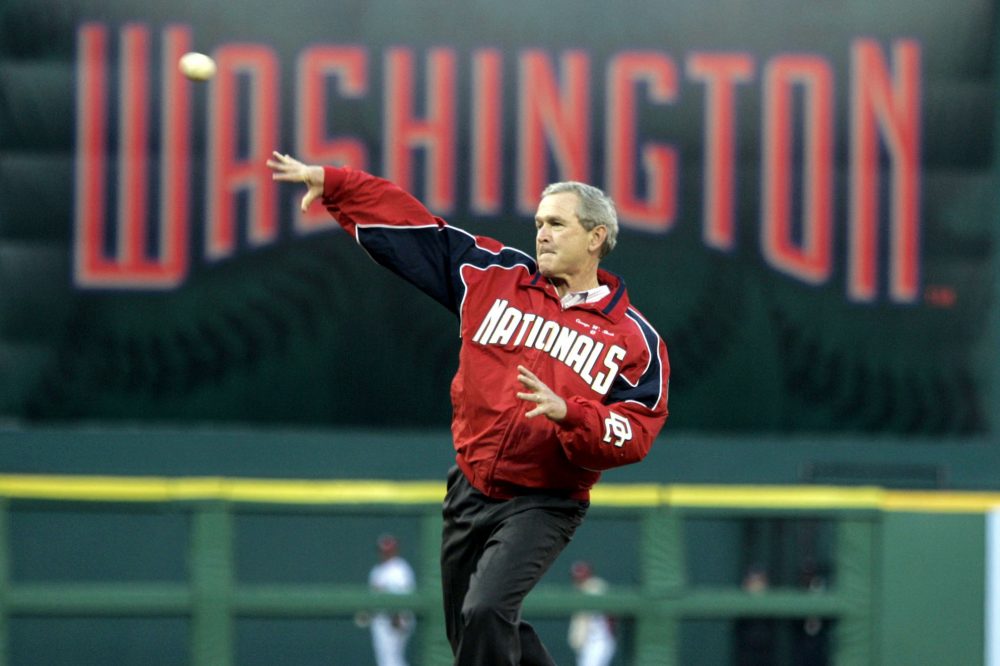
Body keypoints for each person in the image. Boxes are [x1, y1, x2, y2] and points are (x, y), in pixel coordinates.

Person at [267, 152, 670, 666]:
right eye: (539, 222)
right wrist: (338, 186)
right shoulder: (496, 277)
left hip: (545, 499)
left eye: (557, 223)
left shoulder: (633, 338)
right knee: (477, 628)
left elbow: (635, 433)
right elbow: (421, 236)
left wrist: (572, 415)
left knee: (484, 613)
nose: (541, 234)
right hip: (470, 485)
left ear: (596, 238)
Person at [366, 534, 416, 666]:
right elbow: (374, 598)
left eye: (389, 549)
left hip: (394, 619)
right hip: (381, 619)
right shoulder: (376, 571)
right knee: (388, 660)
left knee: (390, 660)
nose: (386, 553)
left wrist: (398, 616)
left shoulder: (400, 568)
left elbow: (404, 596)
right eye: (383, 549)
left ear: (395, 550)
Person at [567, 561, 617, 666]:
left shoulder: (596, 588)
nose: (579, 580)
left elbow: (611, 615)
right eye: (576, 576)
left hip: (599, 641)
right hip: (586, 643)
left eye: (582, 576)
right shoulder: (578, 592)